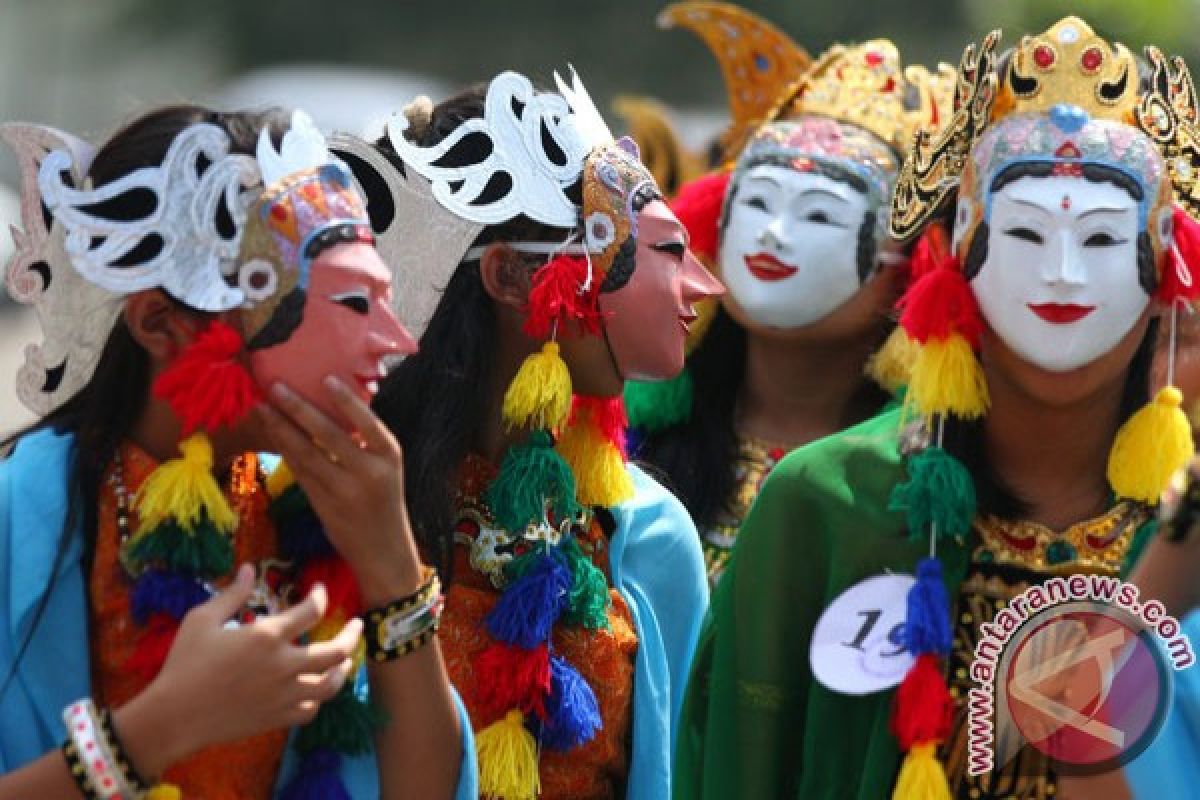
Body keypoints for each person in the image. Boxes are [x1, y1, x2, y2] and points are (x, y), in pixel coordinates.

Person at [675, 16, 1200, 799]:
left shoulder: (1183, 533)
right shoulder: (823, 505)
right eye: (1023, 231)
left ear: (1165, 268)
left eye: (1098, 239)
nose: (1060, 273)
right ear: (958, 248)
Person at [0, 106, 473, 798]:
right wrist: (157, 731)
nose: (400, 343)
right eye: (350, 301)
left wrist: (392, 566)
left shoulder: (309, 504)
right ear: (163, 323)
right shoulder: (19, 517)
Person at [333, 67, 723, 799]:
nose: (698, 287)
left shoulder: (649, 533)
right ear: (510, 277)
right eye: (638, 248)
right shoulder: (336, 501)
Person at [627, 1, 954, 585]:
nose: (774, 235)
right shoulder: (625, 431)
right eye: (757, 202)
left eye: (821, 215)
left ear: (905, 268)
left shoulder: (924, 481)